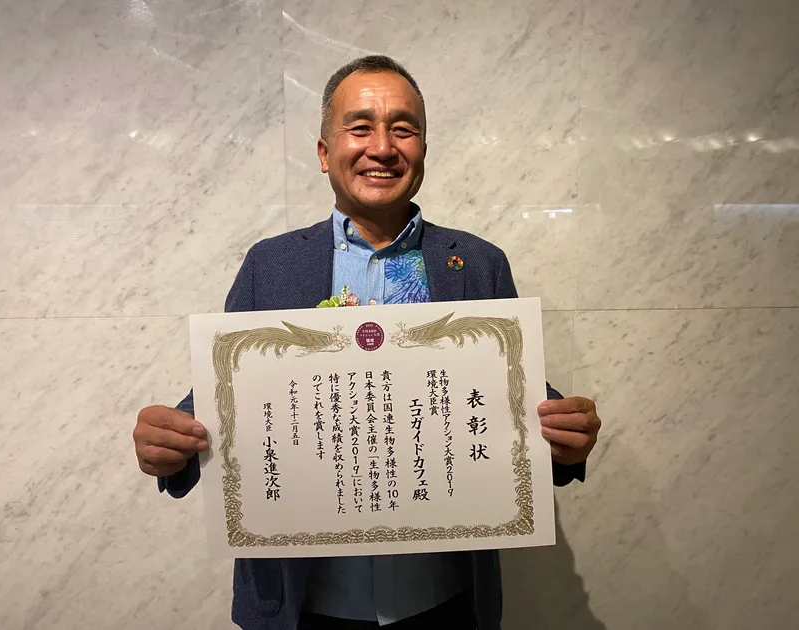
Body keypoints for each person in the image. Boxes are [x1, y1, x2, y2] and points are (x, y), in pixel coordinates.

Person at [133, 55, 602, 630]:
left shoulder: (477, 264)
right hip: (302, 606)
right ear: (324, 152)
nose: (382, 147)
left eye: (403, 129)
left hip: (442, 604)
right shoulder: (271, 266)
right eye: (360, 127)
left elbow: (514, 401)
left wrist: (566, 435)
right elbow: (224, 399)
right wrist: (169, 440)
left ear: (423, 148)